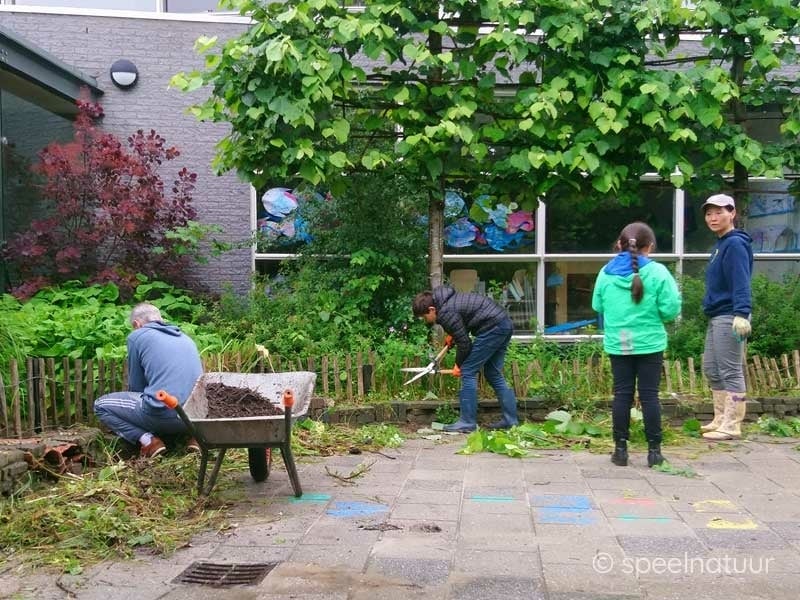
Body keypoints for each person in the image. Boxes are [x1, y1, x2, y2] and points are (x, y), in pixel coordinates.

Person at [591, 222, 682, 467]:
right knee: (649, 396)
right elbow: (671, 309)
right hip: (650, 342)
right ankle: (654, 452)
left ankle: (620, 450)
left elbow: (597, 306)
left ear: (619, 244)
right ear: (649, 247)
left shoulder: (605, 273)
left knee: (622, 395)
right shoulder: (659, 272)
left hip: (618, 343)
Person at [94, 302, 203, 458]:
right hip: (195, 418)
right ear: (161, 319)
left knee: (100, 405)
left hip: (163, 414)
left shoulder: (137, 336)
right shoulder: (186, 338)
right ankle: (196, 439)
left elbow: (137, 385)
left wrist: (137, 417)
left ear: (136, 324)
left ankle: (149, 441)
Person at [412, 287, 518, 433]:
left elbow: (465, 344)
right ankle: (511, 420)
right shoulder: (445, 301)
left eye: (424, 317)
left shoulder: (444, 313)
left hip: (492, 328)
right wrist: (453, 336)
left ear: (431, 309)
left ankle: (467, 422)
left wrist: (458, 365)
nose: (425, 321)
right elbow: (466, 319)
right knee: (492, 373)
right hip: (503, 324)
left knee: (467, 371)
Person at [699, 194, 753, 441]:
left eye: (719, 212)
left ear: (732, 213)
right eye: (709, 213)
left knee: (730, 370)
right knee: (711, 368)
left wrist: (742, 313)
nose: (713, 217)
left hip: (730, 314)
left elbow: (741, 280)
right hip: (716, 314)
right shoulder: (720, 244)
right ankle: (720, 417)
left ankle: (732, 424)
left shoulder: (735, 244)